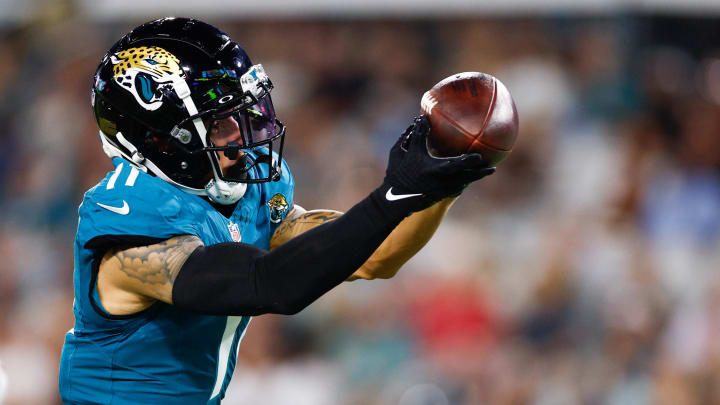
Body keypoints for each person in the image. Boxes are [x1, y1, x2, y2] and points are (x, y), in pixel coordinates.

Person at [58, 17, 495, 404]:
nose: (243, 134)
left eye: (244, 112)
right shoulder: (127, 218)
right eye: (221, 122)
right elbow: (267, 284)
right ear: (160, 137)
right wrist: (396, 193)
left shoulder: (242, 191)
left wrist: (443, 181)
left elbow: (374, 256)